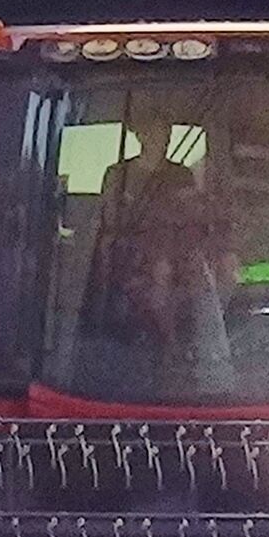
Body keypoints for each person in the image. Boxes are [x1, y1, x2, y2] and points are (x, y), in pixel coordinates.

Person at [82, 103, 238, 396]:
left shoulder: (181, 175)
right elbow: (108, 224)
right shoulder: (118, 174)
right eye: (153, 131)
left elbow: (191, 221)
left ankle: (190, 364)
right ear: (138, 134)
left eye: (165, 131)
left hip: (176, 261)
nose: (161, 137)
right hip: (131, 262)